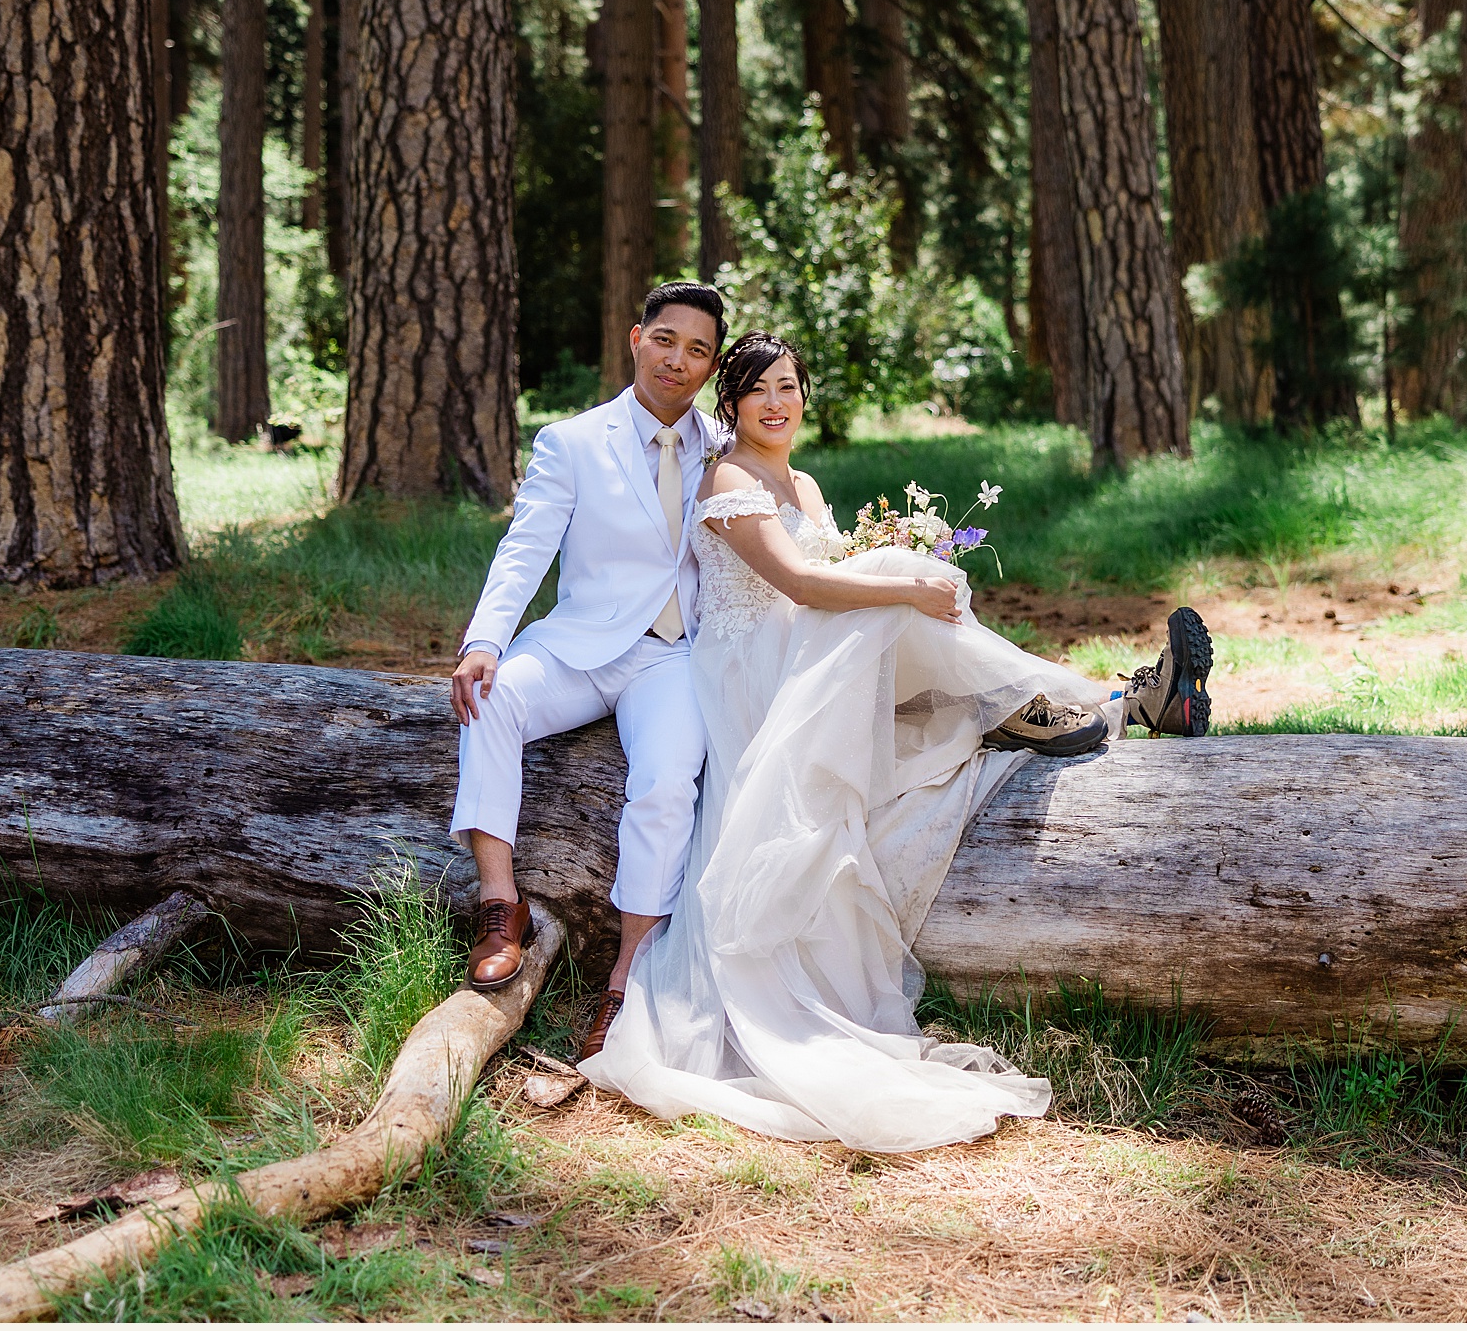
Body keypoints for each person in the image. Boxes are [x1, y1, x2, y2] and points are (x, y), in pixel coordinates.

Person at [579, 331, 1214, 1151]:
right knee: (892, 583)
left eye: (790, 387)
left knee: (900, 588)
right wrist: (906, 580)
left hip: (803, 651)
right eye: (759, 390)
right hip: (751, 669)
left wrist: (906, 577)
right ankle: (1083, 703)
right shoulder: (728, 476)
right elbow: (802, 584)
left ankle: (1098, 702)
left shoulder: (802, 481)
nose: (778, 403)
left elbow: (827, 582)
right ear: (730, 404)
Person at [449, 282, 729, 1059]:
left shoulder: (723, 447)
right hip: (578, 646)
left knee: (669, 781)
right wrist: (485, 641)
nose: (679, 359)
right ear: (637, 338)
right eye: (666, 339)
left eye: (698, 349)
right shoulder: (572, 442)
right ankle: (500, 907)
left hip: (673, 658)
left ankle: (627, 980)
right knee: (493, 701)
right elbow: (525, 549)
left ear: (710, 366)